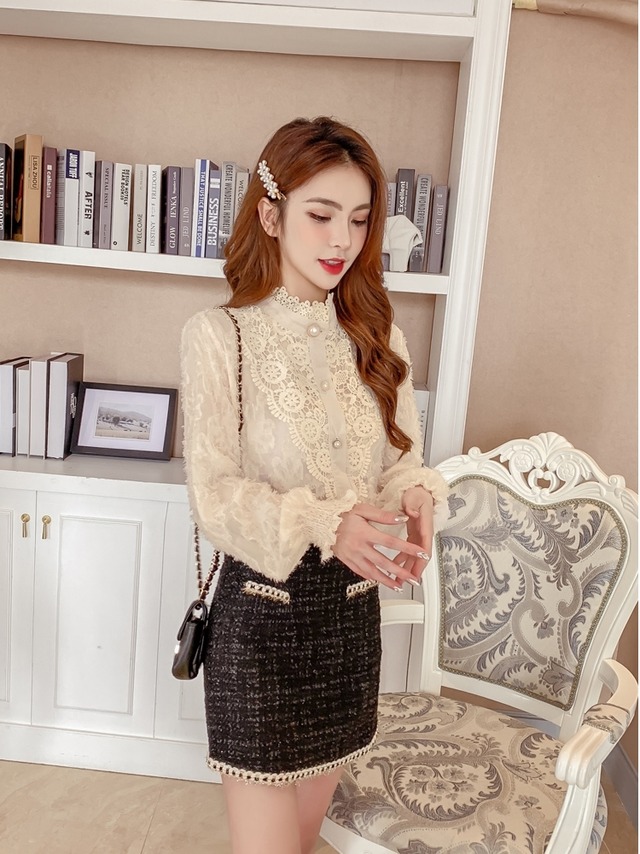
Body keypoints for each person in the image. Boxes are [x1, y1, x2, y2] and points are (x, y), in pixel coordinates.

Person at [180, 116, 449, 854]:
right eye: (321, 215)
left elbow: (399, 464)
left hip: (350, 624)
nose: (342, 240)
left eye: (359, 220)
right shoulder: (219, 336)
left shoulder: (379, 337)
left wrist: (416, 497)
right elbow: (213, 494)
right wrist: (326, 522)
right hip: (261, 627)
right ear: (271, 214)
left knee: (299, 844)